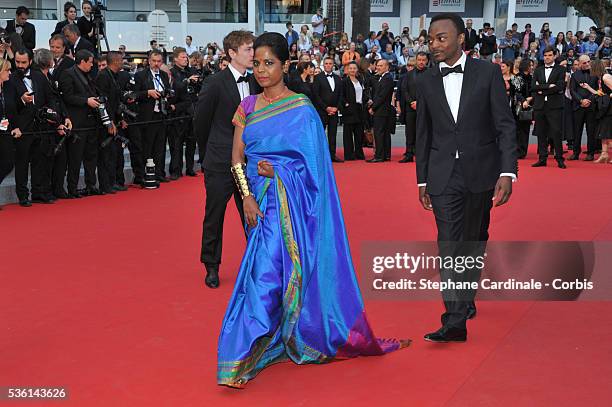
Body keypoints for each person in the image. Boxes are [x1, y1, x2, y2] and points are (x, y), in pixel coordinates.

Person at [218, 32, 408, 389]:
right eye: (256, 63)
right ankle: (272, 339)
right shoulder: (246, 107)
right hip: (255, 204)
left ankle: (240, 355)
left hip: (289, 206)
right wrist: (245, 196)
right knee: (270, 273)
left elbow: (317, 170)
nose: (261, 70)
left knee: (264, 276)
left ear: (285, 65)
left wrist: (280, 172)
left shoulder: (302, 109)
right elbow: (236, 158)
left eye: (269, 63)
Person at [415, 13, 517, 343]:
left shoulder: (487, 73)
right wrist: (422, 180)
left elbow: (504, 125)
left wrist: (507, 172)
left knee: (474, 239)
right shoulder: (427, 79)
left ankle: (465, 296)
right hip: (444, 175)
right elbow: (423, 133)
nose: (434, 45)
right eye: (430, 39)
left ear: (461, 38)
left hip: (481, 171)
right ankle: (455, 319)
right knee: (448, 244)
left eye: (441, 38)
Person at [193, 30, 261, 289]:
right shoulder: (215, 82)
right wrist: (211, 151)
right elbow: (201, 122)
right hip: (220, 162)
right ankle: (211, 265)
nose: (252, 53)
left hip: (249, 162)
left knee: (252, 213)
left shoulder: (256, 82)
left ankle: (258, 264)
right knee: (215, 214)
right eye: (247, 49)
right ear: (232, 53)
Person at [59, 49, 100, 198]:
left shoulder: (87, 75)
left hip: (90, 122)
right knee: (75, 158)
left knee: (91, 156)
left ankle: (91, 185)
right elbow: (67, 97)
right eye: (90, 62)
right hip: (77, 123)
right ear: (82, 61)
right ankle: (72, 188)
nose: (92, 66)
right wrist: (86, 101)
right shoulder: (68, 74)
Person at [134, 50, 171, 183]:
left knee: (160, 146)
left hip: (161, 115)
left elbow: (167, 91)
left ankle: (159, 173)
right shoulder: (140, 75)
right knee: (147, 146)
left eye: (159, 61)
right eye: (154, 61)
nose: (156, 64)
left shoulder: (164, 75)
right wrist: (148, 93)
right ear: (149, 61)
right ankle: (144, 174)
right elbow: (134, 94)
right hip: (147, 115)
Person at [531, 47, 567, 168]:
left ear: (555, 56)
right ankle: (542, 158)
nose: (547, 57)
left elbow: (560, 87)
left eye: (550, 55)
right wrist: (548, 86)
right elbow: (533, 87)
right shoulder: (538, 70)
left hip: (555, 106)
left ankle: (560, 158)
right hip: (540, 106)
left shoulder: (561, 69)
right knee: (541, 132)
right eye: (545, 55)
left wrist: (542, 89)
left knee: (556, 132)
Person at [577, 59, 612, 163]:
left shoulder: (606, 77)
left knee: (608, 132)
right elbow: (598, 93)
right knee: (603, 132)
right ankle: (604, 154)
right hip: (605, 108)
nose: (589, 68)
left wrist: (609, 95)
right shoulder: (600, 78)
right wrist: (588, 87)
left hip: (610, 108)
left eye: (591, 66)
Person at [397, 51, 428, 163]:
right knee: (409, 132)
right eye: (419, 60)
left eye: (423, 60)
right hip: (411, 108)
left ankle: (423, 155)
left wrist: (419, 103)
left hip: (425, 109)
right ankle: (409, 154)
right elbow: (405, 91)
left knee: (424, 132)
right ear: (416, 60)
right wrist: (412, 102)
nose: (421, 62)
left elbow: (431, 92)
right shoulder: (409, 75)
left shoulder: (431, 74)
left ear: (427, 61)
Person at [313, 56, 343, 162]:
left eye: (330, 63)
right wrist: (326, 108)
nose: (328, 65)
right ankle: (320, 157)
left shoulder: (337, 78)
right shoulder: (318, 78)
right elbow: (316, 96)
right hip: (322, 111)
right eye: (326, 63)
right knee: (320, 134)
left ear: (333, 65)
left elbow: (340, 95)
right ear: (323, 65)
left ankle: (332, 155)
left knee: (332, 134)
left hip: (334, 112)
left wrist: (336, 108)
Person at [569, 55, 599, 161]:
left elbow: (597, 90)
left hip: (591, 106)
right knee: (577, 131)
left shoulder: (595, 74)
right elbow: (572, 90)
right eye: (584, 62)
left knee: (591, 131)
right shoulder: (574, 75)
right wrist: (581, 101)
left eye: (588, 62)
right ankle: (575, 153)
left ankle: (590, 153)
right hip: (578, 106)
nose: (587, 64)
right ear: (580, 63)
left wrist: (589, 100)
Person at [367, 59, 395, 163]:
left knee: (379, 133)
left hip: (381, 110)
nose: (378, 67)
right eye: (377, 65)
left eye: (381, 66)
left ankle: (379, 156)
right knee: (384, 133)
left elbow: (381, 96)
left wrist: (373, 108)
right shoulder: (383, 77)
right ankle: (385, 155)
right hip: (383, 110)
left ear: (387, 67)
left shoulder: (387, 78)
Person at [340, 61, 366, 161]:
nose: (352, 70)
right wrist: (345, 104)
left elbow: (363, 92)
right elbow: (341, 95)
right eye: (350, 68)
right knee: (348, 133)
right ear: (347, 69)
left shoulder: (360, 80)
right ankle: (349, 154)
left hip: (359, 108)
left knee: (359, 133)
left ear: (357, 70)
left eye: (354, 68)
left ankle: (359, 153)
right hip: (349, 109)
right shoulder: (344, 81)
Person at [0, 58, 15, 196]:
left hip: (5, 132)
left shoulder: (7, 88)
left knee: (8, 163)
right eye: (7, 70)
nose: (9, 73)